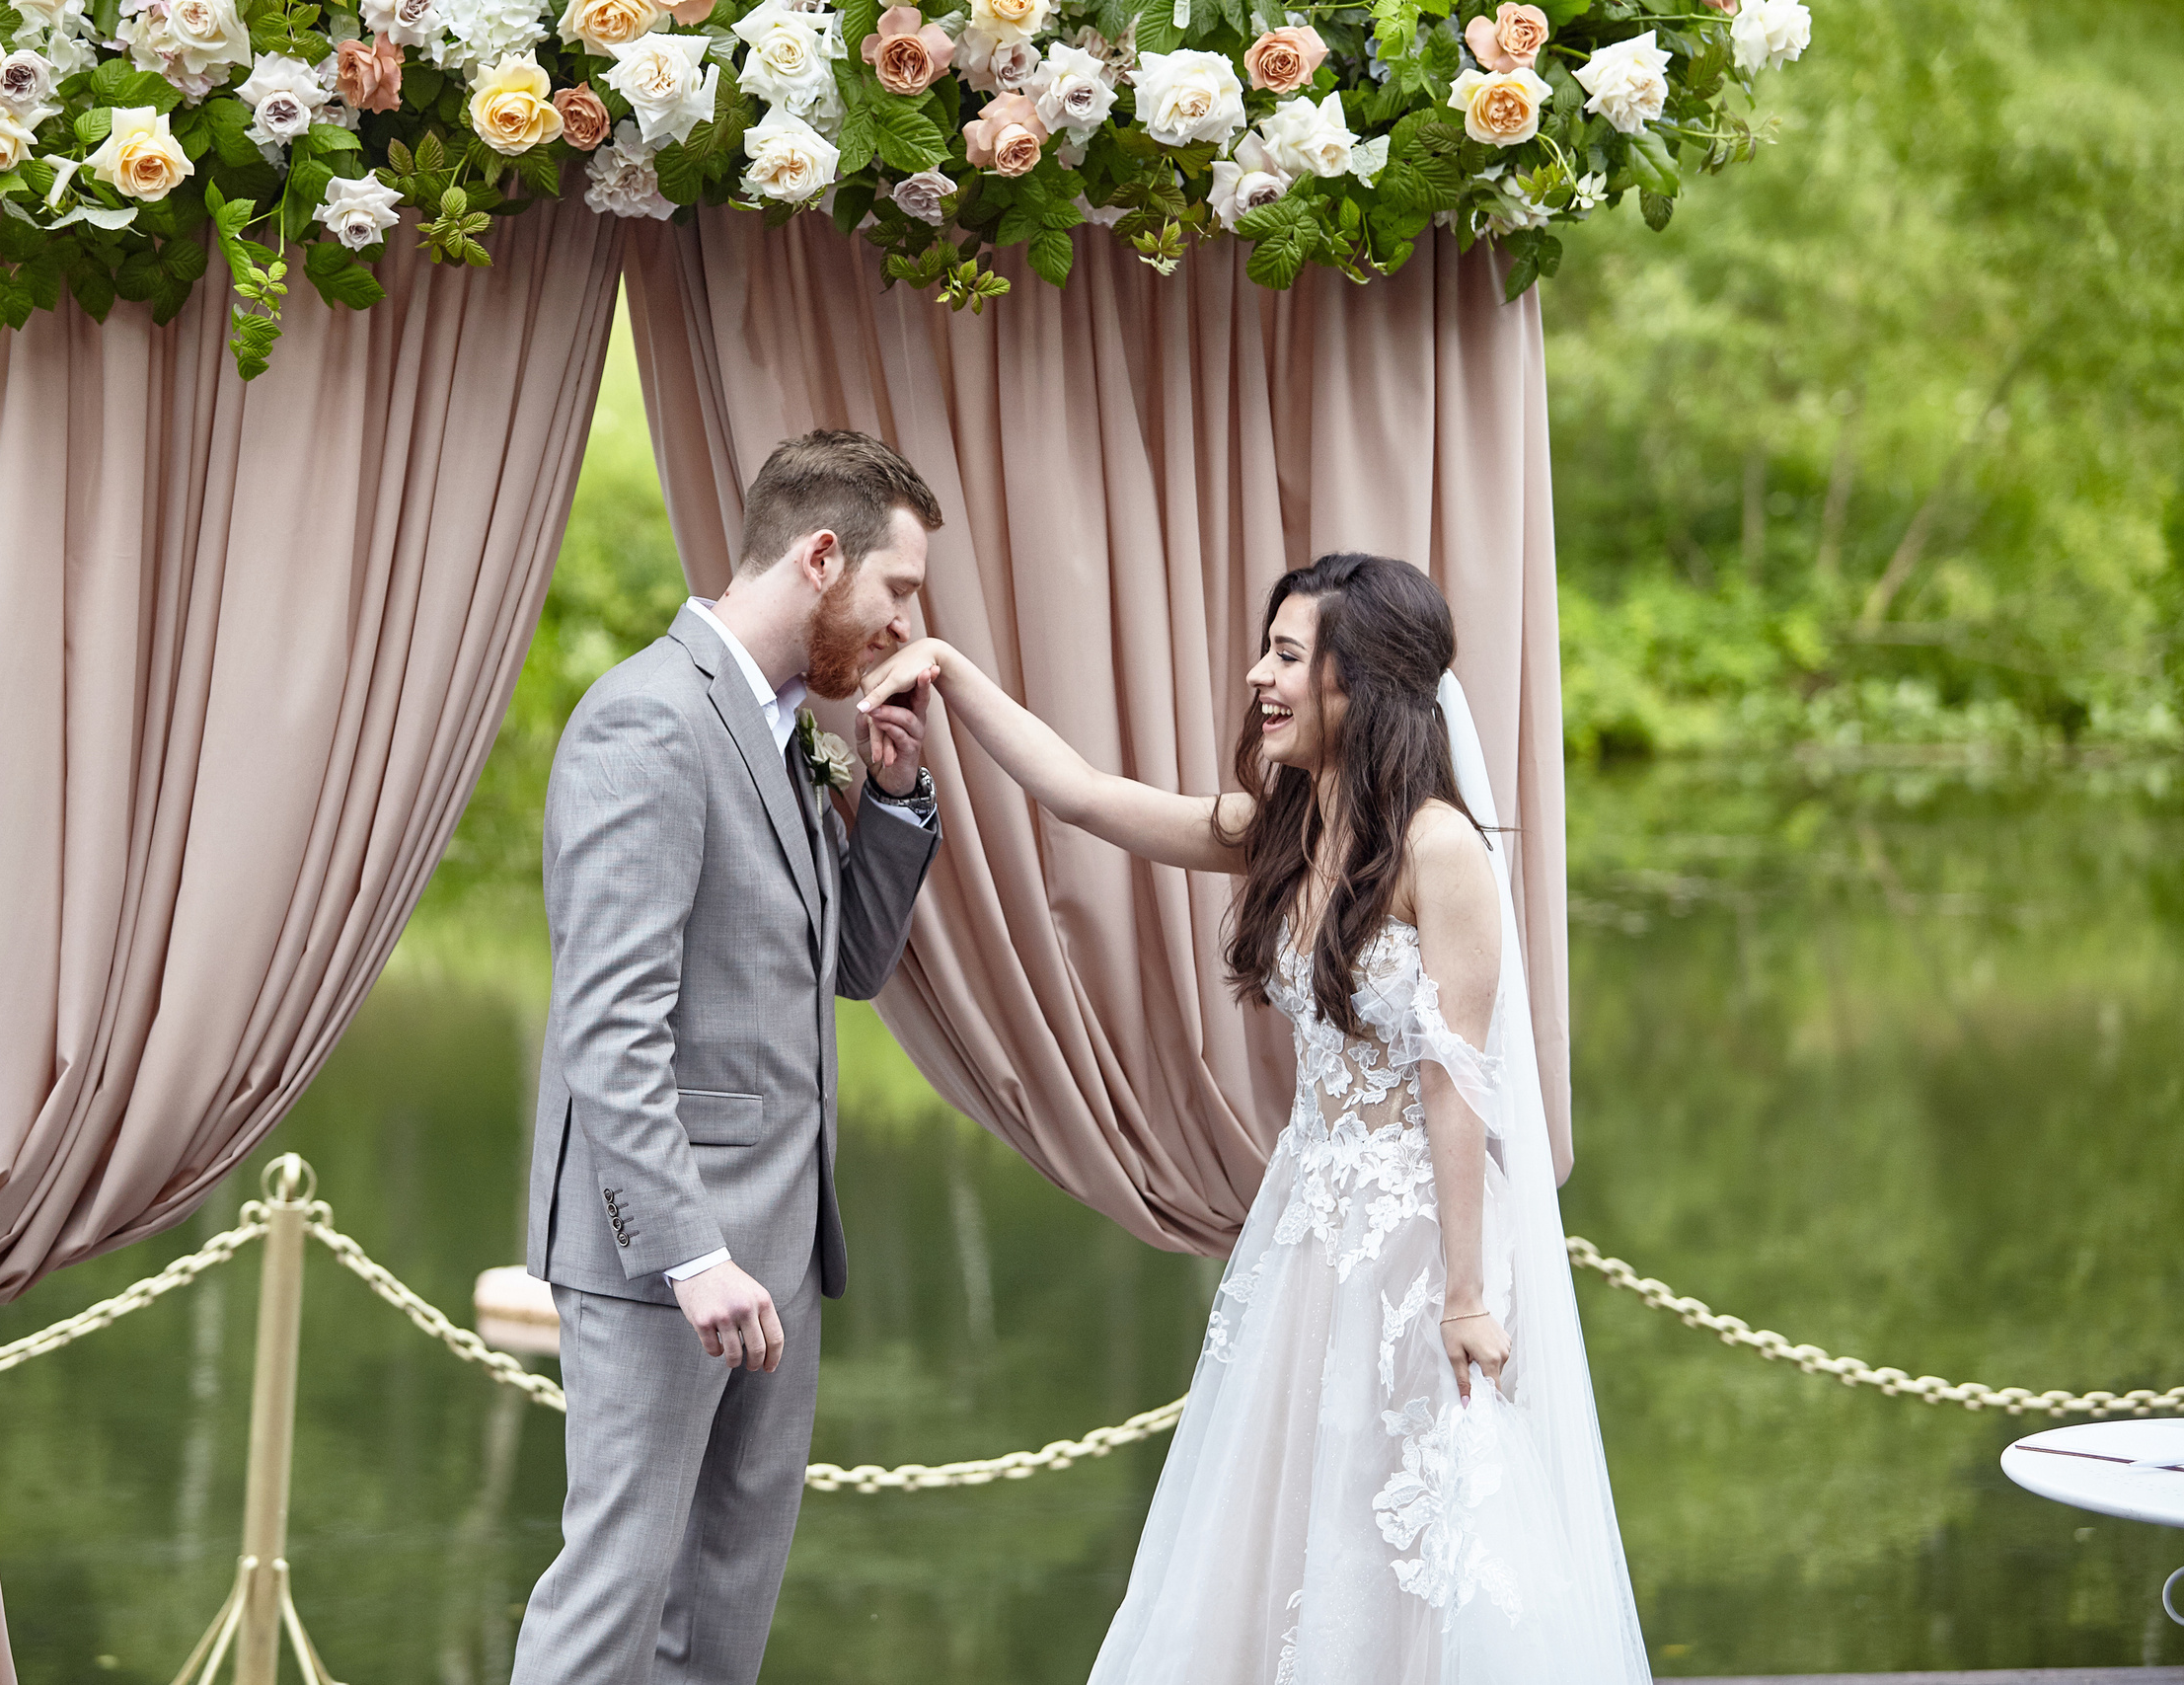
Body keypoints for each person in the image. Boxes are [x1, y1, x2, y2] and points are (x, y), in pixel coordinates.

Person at [855, 554, 1651, 1682]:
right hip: (1307, 1233)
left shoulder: (1441, 850)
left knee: (1420, 1513)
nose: (1255, 676)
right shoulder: (1281, 824)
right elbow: (1088, 796)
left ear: (1357, 680)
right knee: (1291, 1509)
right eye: (1264, 651)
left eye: (1285, 654)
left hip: (1422, 1243)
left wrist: (1468, 1297)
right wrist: (946, 670)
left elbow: (1455, 1083)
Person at [513, 431, 945, 1685]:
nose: (901, 625)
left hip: (778, 1250)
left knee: (721, 1619)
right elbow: (610, 1025)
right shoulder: (649, 722)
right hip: (670, 1257)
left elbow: (845, 969)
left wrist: (896, 802)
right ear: (821, 555)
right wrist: (691, 1255)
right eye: (896, 591)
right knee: (614, 1603)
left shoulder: (786, 728)